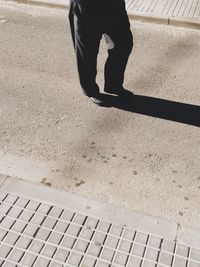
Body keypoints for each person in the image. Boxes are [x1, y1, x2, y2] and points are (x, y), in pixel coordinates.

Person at [69, 0, 133, 105]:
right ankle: (90, 90)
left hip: (114, 5)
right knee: (87, 52)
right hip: (87, 7)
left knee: (124, 43)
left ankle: (113, 84)